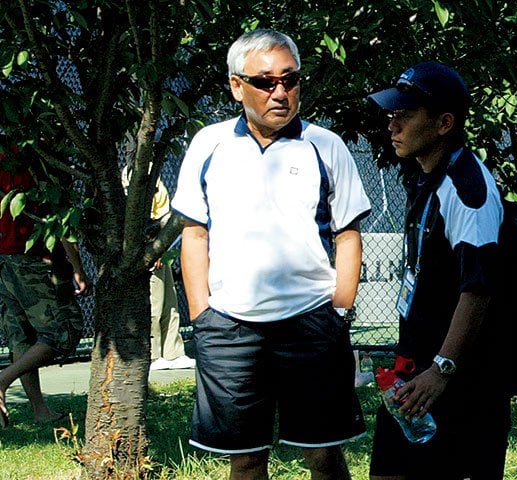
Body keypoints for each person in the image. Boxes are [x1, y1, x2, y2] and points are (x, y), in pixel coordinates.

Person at [171, 29, 371, 479]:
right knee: (245, 461)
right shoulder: (209, 144)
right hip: (230, 329)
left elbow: (348, 235)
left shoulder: (327, 146)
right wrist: (203, 315)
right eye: (265, 82)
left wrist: (339, 311)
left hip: (312, 324)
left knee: (323, 454)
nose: (280, 92)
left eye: (290, 79)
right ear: (236, 86)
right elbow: (195, 234)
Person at [367, 62, 511, 479]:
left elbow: (478, 289)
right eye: (392, 115)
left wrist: (441, 370)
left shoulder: (468, 190)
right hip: (414, 376)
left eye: (405, 115)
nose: (392, 125)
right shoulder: (427, 175)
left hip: (458, 384)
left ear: (444, 123)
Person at [0, 143, 90, 428]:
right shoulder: (41, 154)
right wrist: (77, 266)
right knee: (64, 329)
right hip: (33, 257)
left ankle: (40, 410)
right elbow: (59, 216)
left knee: (22, 337)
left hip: (5, 258)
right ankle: (2, 381)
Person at [122, 168, 195, 371]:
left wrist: (162, 247)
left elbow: (163, 213)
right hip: (146, 248)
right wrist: (150, 249)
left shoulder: (155, 169)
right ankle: (152, 355)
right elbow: (134, 216)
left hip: (161, 246)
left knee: (169, 302)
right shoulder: (130, 171)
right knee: (153, 303)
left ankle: (173, 352)